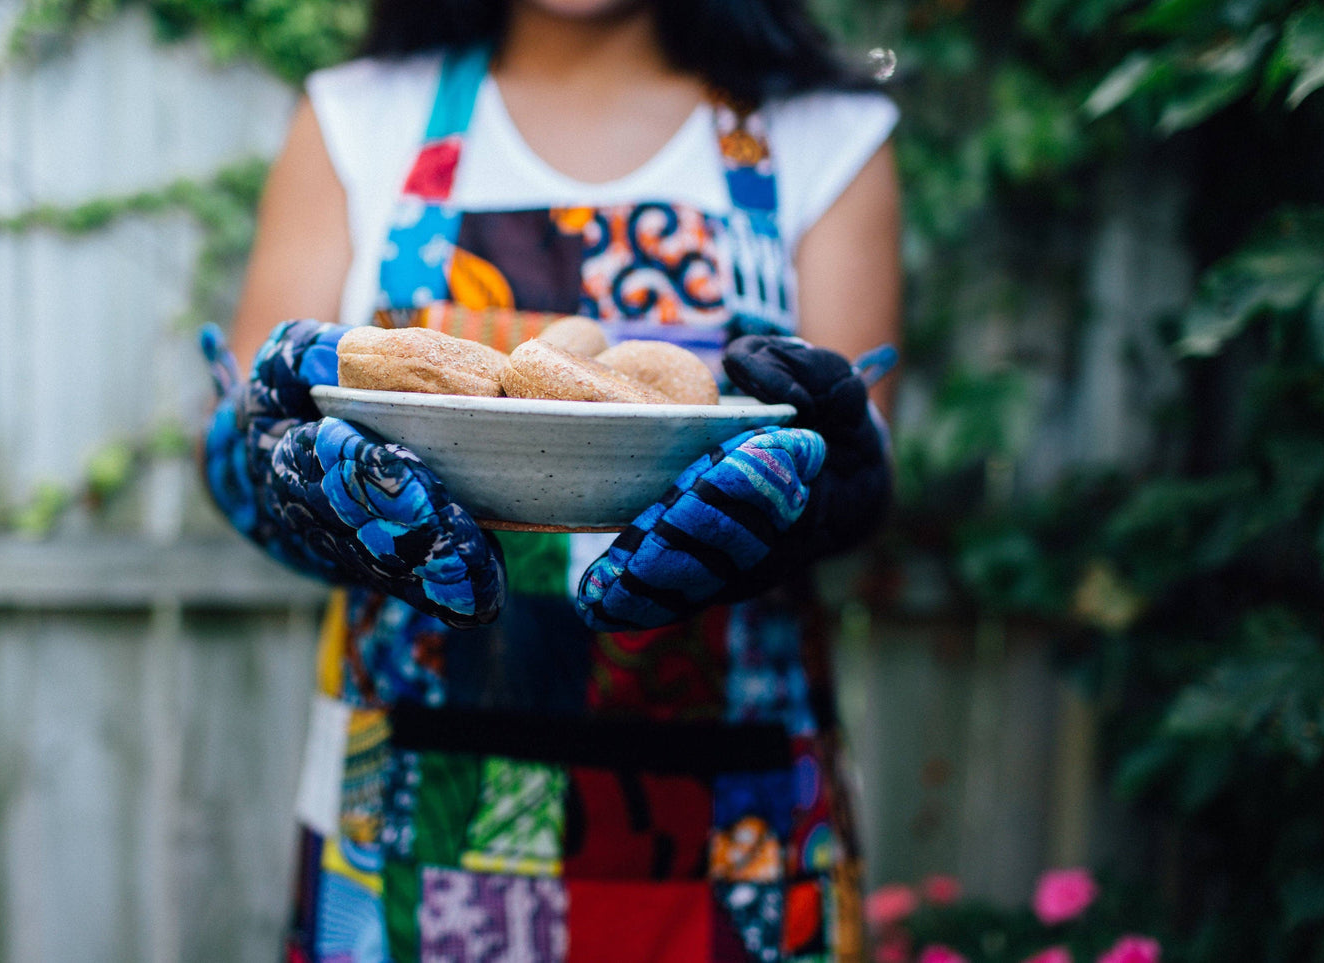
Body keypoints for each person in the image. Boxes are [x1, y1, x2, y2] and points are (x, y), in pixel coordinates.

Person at [201, 0, 901, 959]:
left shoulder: (823, 134)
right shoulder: (360, 119)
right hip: (404, 805)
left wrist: (835, 484)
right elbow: (247, 425)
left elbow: (865, 460)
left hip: (732, 827)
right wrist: (274, 471)